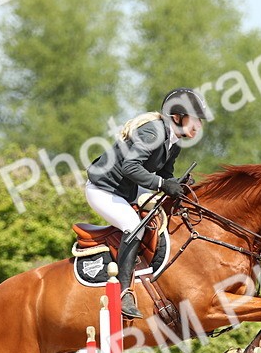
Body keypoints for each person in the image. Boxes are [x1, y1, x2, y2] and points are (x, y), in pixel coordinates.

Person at [85, 88, 210, 318]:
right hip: (103, 189)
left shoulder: (174, 141)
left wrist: (177, 183)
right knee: (133, 225)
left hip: (127, 189)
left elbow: (164, 173)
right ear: (177, 117)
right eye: (195, 119)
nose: (198, 126)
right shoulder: (154, 132)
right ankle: (123, 293)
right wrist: (163, 184)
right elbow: (130, 167)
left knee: (165, 213)